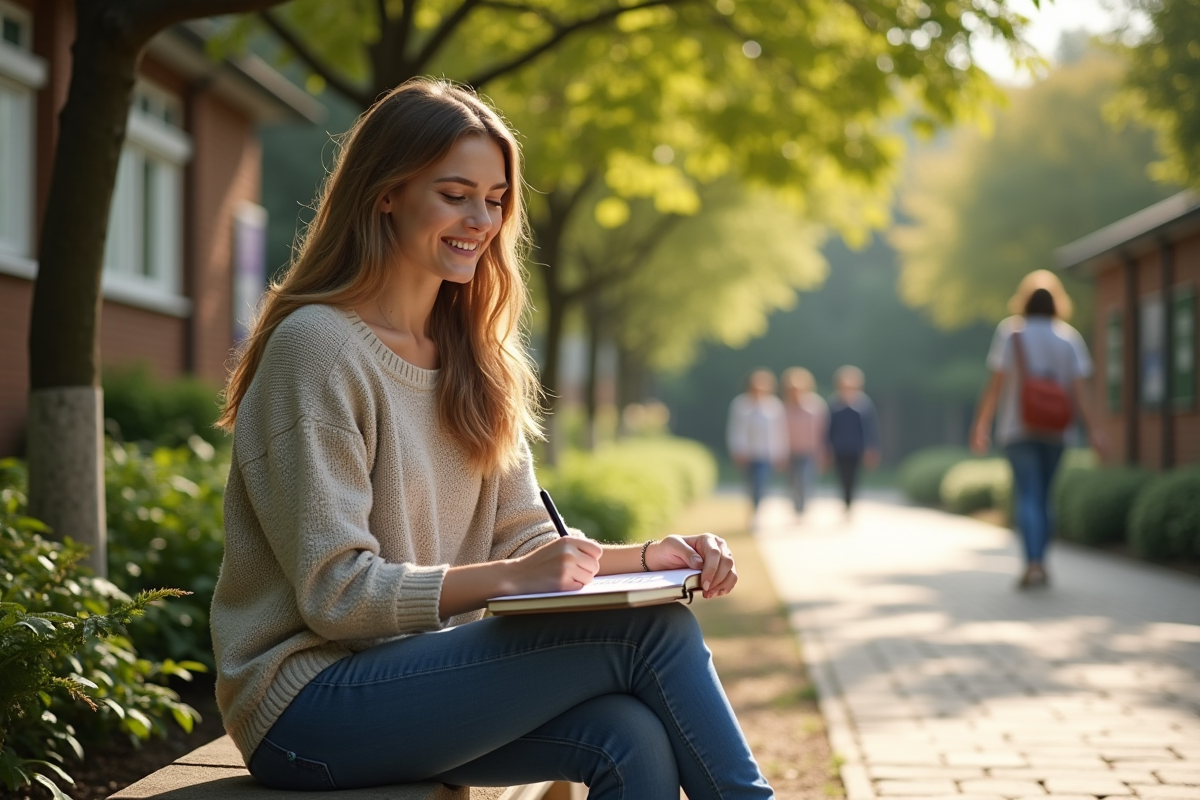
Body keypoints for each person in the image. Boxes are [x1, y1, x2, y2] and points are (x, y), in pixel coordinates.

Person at [210, 79, 773, 799]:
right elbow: (336, 595)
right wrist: (511, 579)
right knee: (654, 635)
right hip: (305, 708)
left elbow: (522, 543)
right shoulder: (316, 348)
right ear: (386, 193)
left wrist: (649, 558)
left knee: (627, 737)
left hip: (420, 678)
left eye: (496, 199)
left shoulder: (479, 358)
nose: (481, 218)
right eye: (455, 194)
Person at [970, 270, 1105, 589]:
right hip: (1058, 431)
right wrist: (1095, 431)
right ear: (1058, 303)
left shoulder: (1010, 333)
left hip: (1017, 429)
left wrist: (980, 424)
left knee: (1027, 494)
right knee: (1045, 497)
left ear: (1024, 301)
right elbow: (1081, 392)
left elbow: (996, 384)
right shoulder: (1068, 338)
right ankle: (1042, 563)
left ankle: (1030, 563)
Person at [726, 369, 789, 519]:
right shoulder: (741, 405)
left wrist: (781, 453)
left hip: (766, 454)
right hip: (747, 454)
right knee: (750, 485)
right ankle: (753, 508)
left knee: (761, 483)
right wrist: (737, 450)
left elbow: (779, 431)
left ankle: (757, 510)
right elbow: (736, 429)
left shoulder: (774, 405)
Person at [825, 366, 880, 512]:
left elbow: (870, 428)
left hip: (857, 447)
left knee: (853, 477)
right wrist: (827, 448)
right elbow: (828, 428)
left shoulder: (864, 403)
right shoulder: (834, 403)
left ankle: (850, 503)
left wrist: (872, 448)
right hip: (839, 447)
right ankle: (845, 501)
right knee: (842, 477)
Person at [781, 367, 828, 514]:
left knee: (804, 480)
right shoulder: (783, 407)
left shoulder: (815, 406)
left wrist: (822, 453)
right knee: (792, 482)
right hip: (790, 452)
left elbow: (822, 432)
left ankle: (802, 508)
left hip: (809, 452)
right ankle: (796, 505)